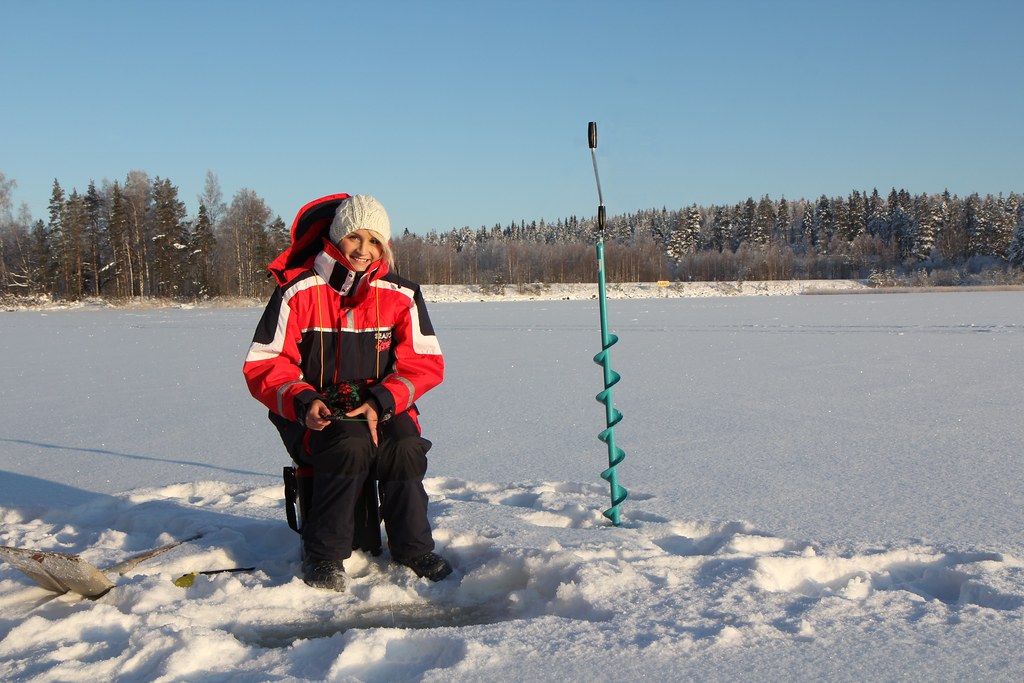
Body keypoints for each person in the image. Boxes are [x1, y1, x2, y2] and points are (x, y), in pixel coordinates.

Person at [243, 193, 451, 591]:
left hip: (384, 406)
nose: (364, 249)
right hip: (314, 411)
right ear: (337, 237)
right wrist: (305, 402)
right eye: (356, 237)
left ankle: (413, 549)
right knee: (350, 442)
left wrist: (381, 402)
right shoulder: (297, 291)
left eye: (375, 241)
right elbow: (265, 364)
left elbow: (424, 363)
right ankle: (323, 555)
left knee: (405, 446)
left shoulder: (402, 294)